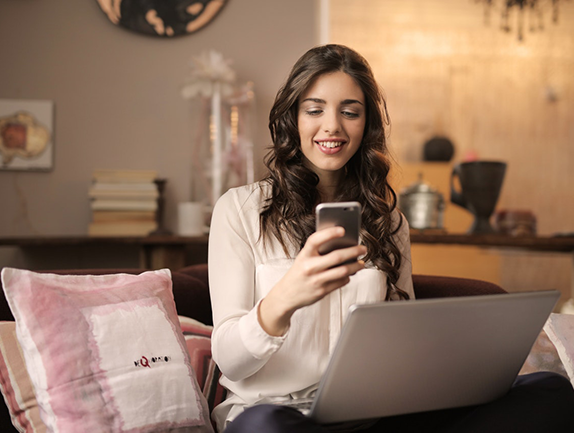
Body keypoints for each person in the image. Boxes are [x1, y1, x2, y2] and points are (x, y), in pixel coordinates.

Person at [207, 44, 574, 432]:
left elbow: (402, 342)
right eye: (314, 110)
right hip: (276, 413)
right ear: (292, 119)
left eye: (350, 112)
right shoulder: (240, 210)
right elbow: (230, 360)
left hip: (369, 417)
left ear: (366, 124)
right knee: (264, 427)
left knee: (552, 391)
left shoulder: (388, 222)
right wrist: (285, 297)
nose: (332, 125)